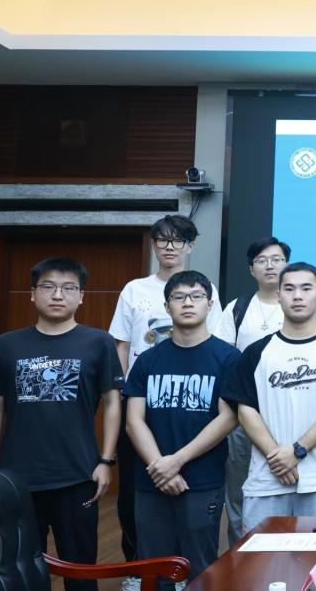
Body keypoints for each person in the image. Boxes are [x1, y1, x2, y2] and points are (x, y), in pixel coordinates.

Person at [0, 257, 123, 591]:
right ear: (32, 294)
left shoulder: (99, 342)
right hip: (17, 477)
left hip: (77, 474)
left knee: (81, 571)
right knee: (19, 571)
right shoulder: (6, 345)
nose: (58, 295)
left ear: (81, 296)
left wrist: (106, 461)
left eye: (68, 288)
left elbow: (112, 403)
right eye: (48, 286)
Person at [109, 214, 222, 581]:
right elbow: (121, 344)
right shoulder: (134, 290)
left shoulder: (206, 293)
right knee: (136, 497)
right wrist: (122, 393)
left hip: (196, 405)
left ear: (190, 246)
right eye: (163, 240)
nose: (170, 247)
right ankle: (136, 570)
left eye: (178, 240)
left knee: (197, 530)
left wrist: (175, 462)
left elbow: (214, 345)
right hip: (143, 401)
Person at [223, 262, 316, 531]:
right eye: (289, 289)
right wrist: (278, 458)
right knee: (260, 557)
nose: (297, 296)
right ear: (278, 295)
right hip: (266, 480)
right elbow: (245, 409)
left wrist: (297, 451)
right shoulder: (256, 352)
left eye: (306, 288)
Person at [124, 271, 238, 589]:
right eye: (179, 297)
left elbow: (228, 418)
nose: (188, 303)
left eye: (196, 296)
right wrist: (160, 466)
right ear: (167, 306)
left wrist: (175, 461)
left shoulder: (228, 358)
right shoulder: (147, 360)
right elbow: (133, 421)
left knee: (201, 571)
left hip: (201, 480)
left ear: (210, 305)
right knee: (154, 571)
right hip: (151, 480)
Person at [214, 235, 290, 545]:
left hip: (289, 414)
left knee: (288, 484)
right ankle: (240, 553)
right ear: (251, 269)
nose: (270, 266)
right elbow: (222, 358)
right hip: (243, 415)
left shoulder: (300, 305)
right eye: (262, 260)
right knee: (238, 489)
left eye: (277, 259)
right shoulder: (238, 308)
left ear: (287, 264)